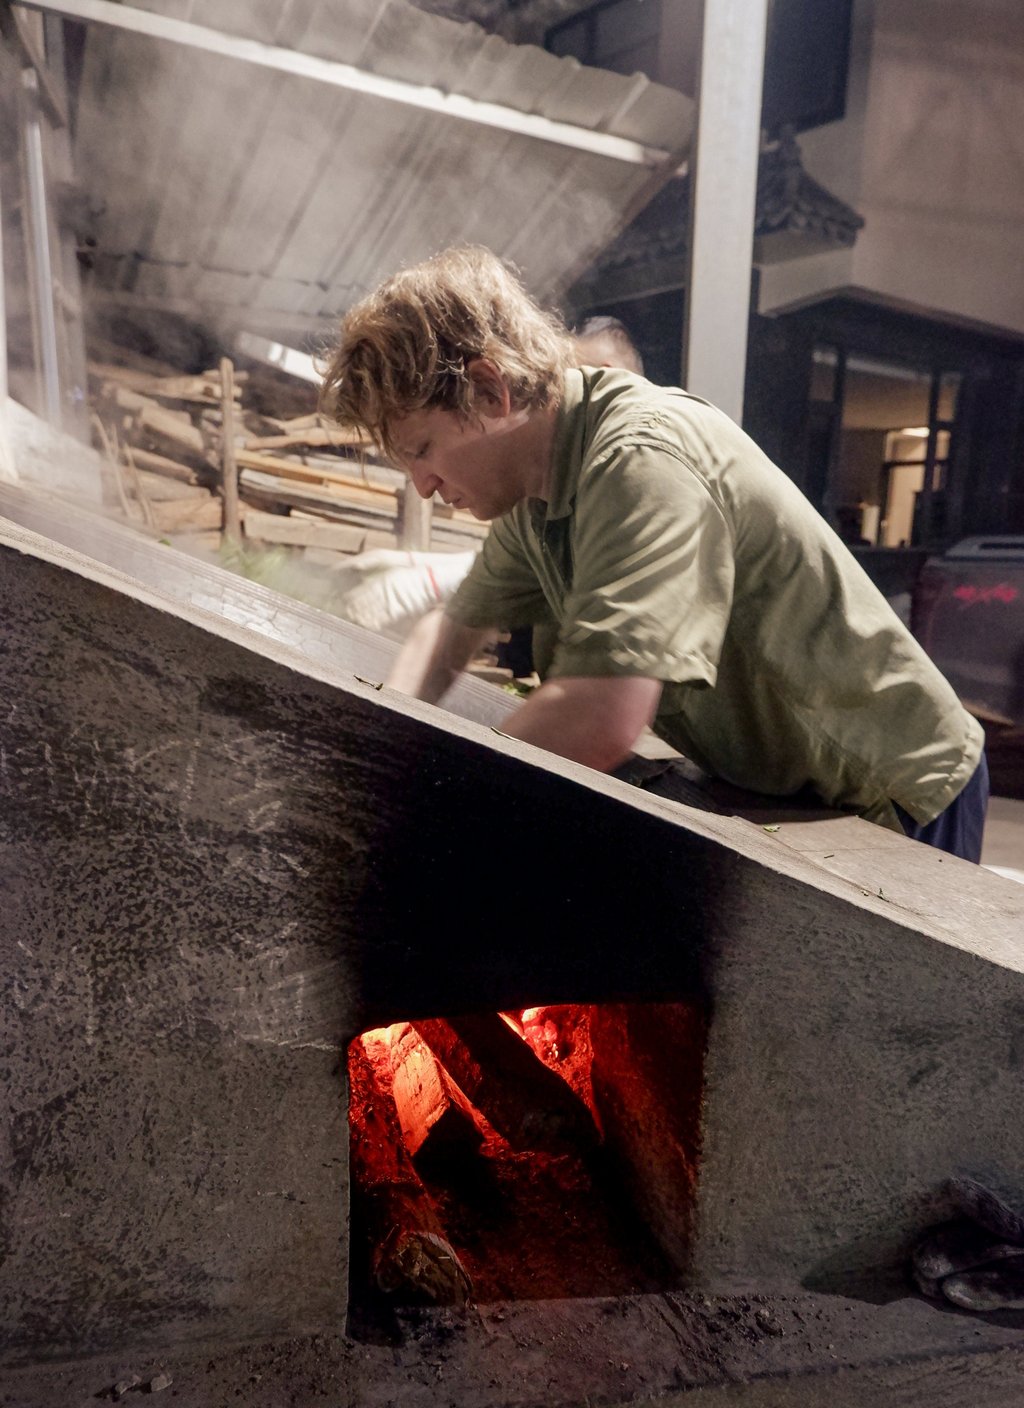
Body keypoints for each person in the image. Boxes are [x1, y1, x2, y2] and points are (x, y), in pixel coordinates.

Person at [320, 246, 987, 861]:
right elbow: (450, 630)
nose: (423, 486)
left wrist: (427, 811)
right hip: (793, 786)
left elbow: (602, 711)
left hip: (890, 783)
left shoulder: (640, 461)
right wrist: (382, 749)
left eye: (423, 449)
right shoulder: (535, 495)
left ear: (490, 390)